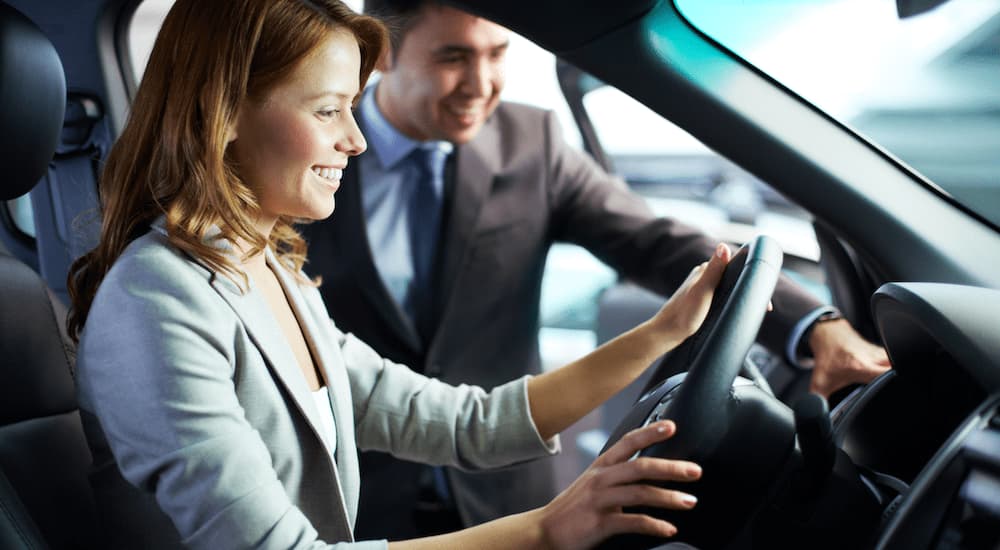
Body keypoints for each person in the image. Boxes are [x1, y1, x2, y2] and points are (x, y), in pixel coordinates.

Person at [67, 0, 734, 548]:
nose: (355, 140)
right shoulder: (155, 303)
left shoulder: (270, 271)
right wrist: (546, 530)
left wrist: (661, 334)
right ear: (227, 114)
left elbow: (466, 424)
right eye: (328, 110)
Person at [297, 0, 894, 540]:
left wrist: (815, 324)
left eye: (498, 54)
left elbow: (656, 242)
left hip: (508, 491)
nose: (480, 84)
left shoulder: (533, 141)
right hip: (355, 503)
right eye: (454, 57)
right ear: (382, 53)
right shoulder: (301, 164)